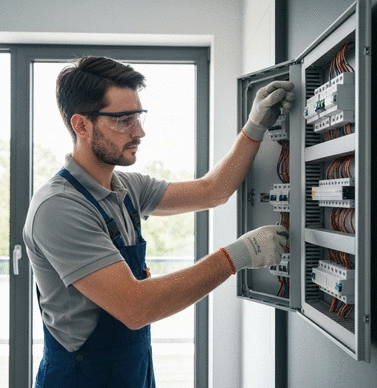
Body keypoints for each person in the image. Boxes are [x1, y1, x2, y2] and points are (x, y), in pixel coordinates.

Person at [23, 56, 294, 388]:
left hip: (132, 372)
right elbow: (136, 307)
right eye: (123, 120)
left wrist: (254, 126)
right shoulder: (59, 207)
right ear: (81, 125)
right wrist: (237, 256)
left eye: (138, 116)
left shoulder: (127, 188)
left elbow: (212, 191)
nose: (140, 131)